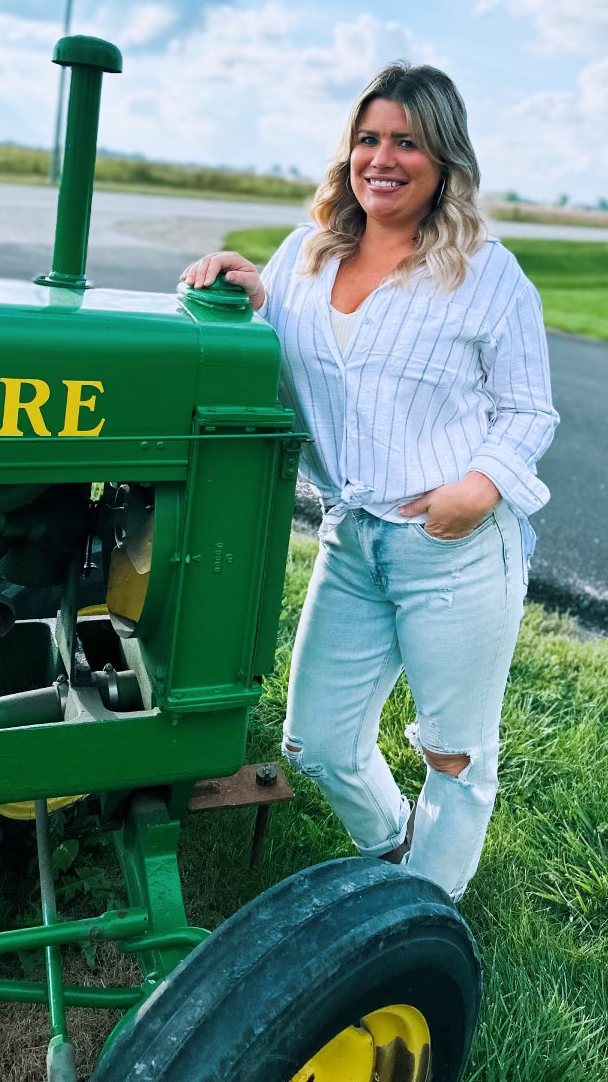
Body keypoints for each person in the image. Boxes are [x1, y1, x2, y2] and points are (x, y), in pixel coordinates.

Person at [180, 62, 558, 901]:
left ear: (443, 160)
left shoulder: (488, 274)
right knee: (317, 741)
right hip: (352, 536)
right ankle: (394, 848)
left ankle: (423, 916)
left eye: (406, 142)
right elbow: (280, 338)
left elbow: (530, 413)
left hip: (453, 546)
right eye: (368, 138)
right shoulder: (308, 253)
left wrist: (476, 492)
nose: (381, 158)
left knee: (454, 753)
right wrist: (243, 288)